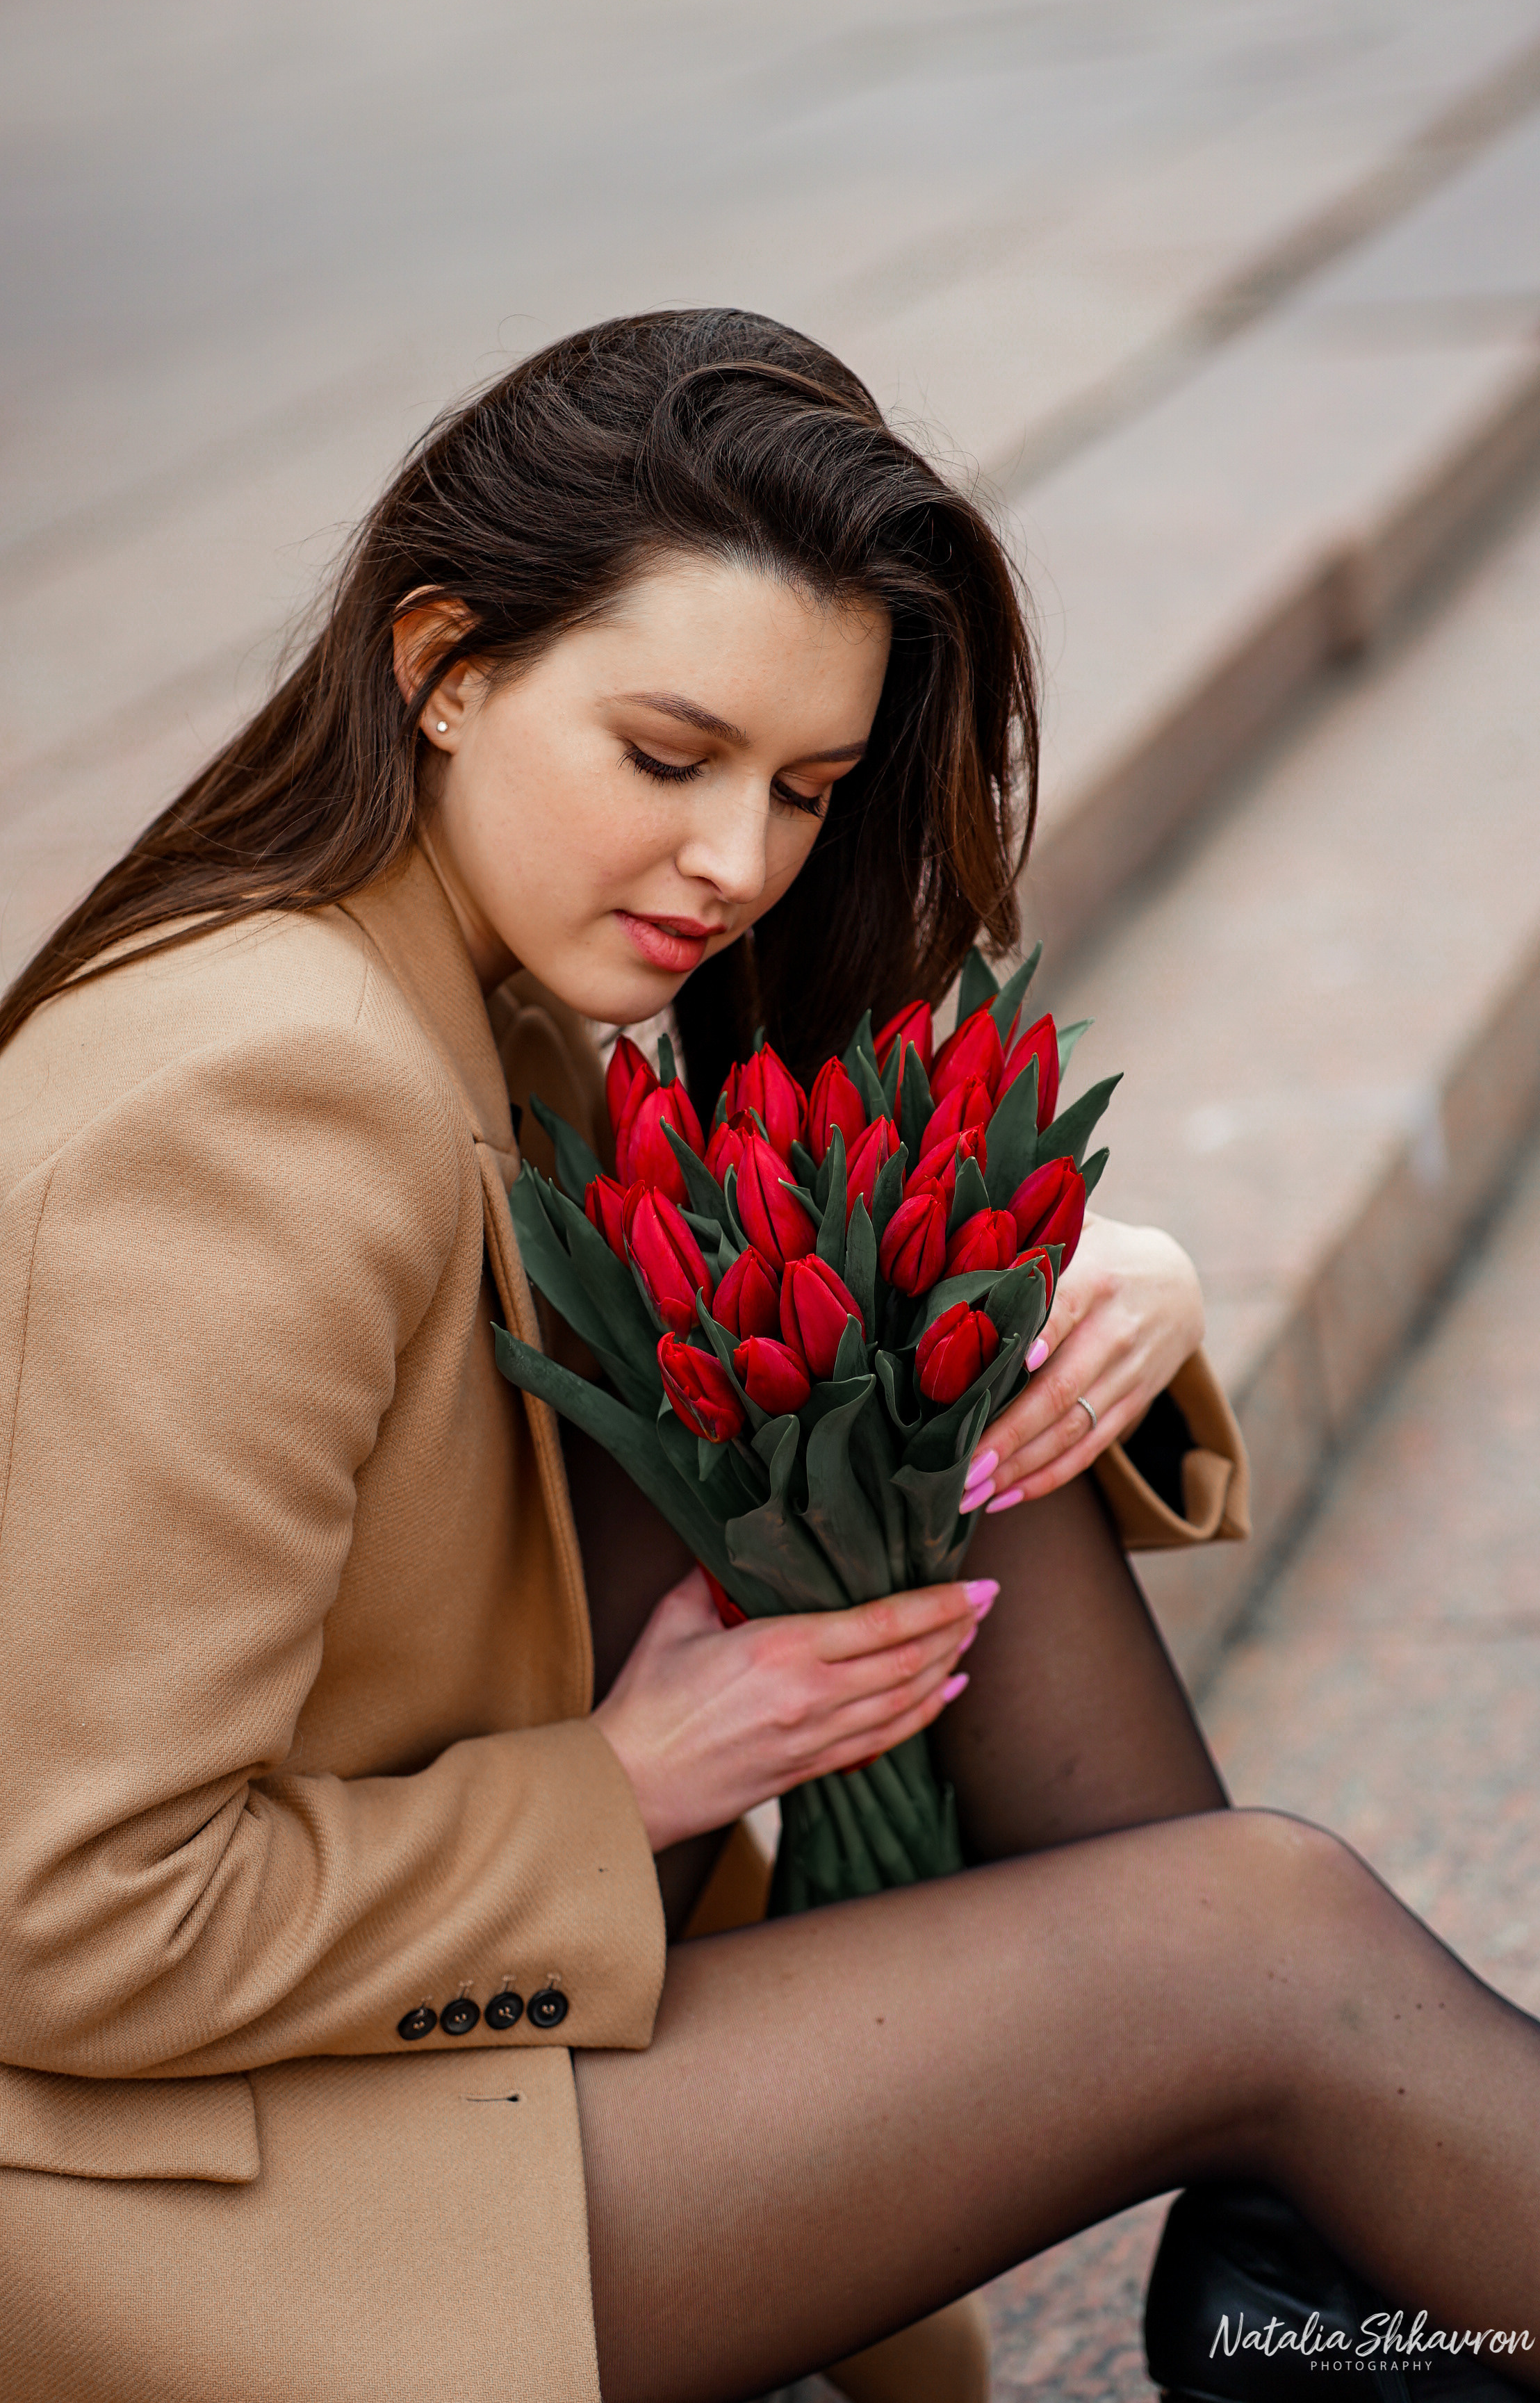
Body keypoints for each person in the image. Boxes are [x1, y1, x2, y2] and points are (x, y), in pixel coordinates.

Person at [0, 311, 1534, 2403]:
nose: (737, 864)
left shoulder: (466, 997)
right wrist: (623, 1785)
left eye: (806, 789)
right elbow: (74, 1922)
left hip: (302, 2058)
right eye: (667, 757)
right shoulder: (258, 1114)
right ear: (443, 667)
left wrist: (1095, 1286)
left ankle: (1339, 2224)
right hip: (170, 2199)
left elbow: (783, 1348)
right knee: (1265, 1945)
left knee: (929, 1381)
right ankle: (1334, 2204)